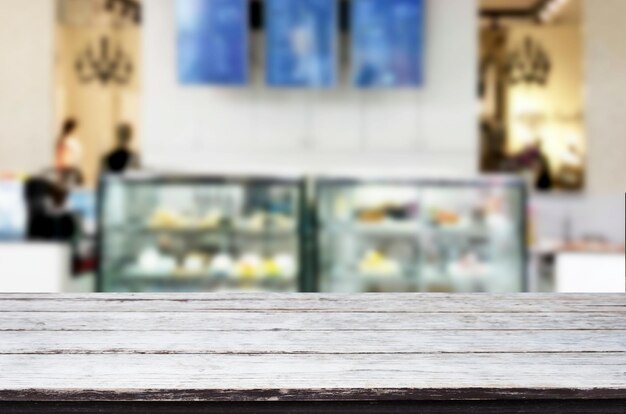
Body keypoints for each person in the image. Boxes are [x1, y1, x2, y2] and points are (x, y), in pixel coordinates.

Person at [55, 118, 84, 186]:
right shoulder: (64, 141)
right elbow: (62, 158)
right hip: (68, 169)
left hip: (73, 168)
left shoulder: (71, 140)